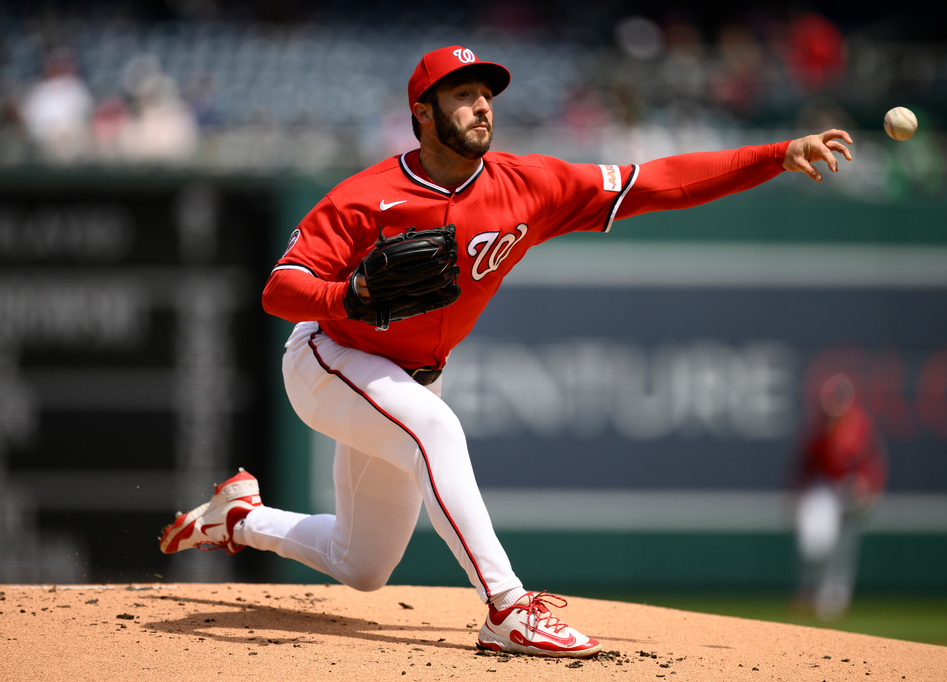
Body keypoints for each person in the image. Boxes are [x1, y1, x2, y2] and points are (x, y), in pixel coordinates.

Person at [160, 44, 854, 658]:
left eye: (487, 93)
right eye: (463, 95)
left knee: (364, 563)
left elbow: (654, 181)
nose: (482, 105)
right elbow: (279, 290)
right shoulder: (367, 198)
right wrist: (347, 299)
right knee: (435, 431)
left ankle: (240, 517)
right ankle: (509, 609)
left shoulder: (530, 185)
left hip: (408, 379)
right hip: (326, 358)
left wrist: (772, 156)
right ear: (423, 114)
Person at [789, 374, 888, 621]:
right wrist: (796, 495)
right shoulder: (818, 428)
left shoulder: (860, 427)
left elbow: (873, 464)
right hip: (825, 490)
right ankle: (811, 589)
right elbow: (804, 466)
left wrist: (869, 488)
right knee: (815, 545)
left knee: (844, 545)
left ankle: (835, 595)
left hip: (851, 490)